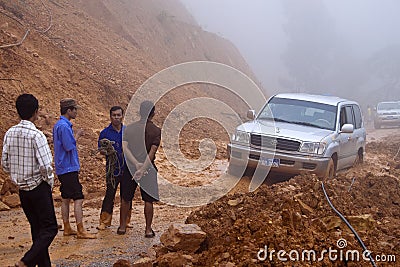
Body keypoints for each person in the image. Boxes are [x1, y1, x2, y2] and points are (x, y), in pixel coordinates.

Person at [1, 94, 58, 267]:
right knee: (50, 229)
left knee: (37, 230)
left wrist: (17, 176)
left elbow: (5, 163)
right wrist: (49, 183)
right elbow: (46, 166)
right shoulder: (37, 135)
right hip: (38, 188)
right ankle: (25, 261)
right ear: (36, 112)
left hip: (23, 190)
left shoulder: (10, 133)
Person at [53, 98, 96, 239]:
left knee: (65, 197)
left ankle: (67, 227)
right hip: (68, 167)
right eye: (75, 109)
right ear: (69, 110)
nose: (76, 112)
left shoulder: (58, 125)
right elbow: (69, 146)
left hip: (62, 167)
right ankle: (80, 229)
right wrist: (76, 135)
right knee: (78, 197)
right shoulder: (64, 127)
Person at [118, 101, 161, 237]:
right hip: (148, 169)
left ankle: (122, 227)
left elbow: (125, 148)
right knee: (148, 200)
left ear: (139, 112)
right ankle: (148, 230)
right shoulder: (156, 131)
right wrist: (142, 168)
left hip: (130, 168)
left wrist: (135, 164)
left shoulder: (129, 129)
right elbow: (152, 152)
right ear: (153, 114)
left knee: (125, 198)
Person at [97, 106, 132, 230]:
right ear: (110, 116)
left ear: (122, 116)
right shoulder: (104, 133)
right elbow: (100, 149)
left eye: (118, 115)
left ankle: (126, 220)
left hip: (127, 169)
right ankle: (104, 221)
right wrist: (107, 151)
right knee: (110, 194)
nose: (116, 118)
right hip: (112, 170)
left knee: (126, 195)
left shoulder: (128, 131)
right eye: (114, 115)